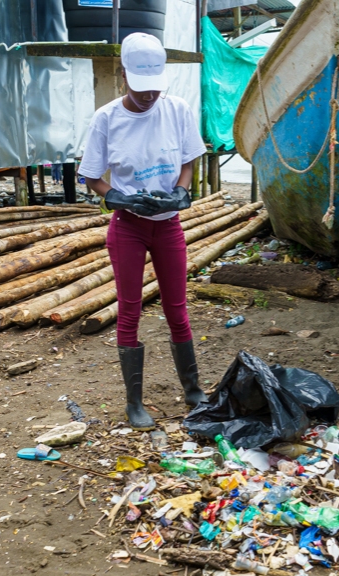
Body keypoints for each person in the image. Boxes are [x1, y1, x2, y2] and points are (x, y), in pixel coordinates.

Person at [78, 32, 208, 430]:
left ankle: (193, 391)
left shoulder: (177, 109)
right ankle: (134, 402)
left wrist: (181, 194)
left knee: (177, 309)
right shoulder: (107, 118)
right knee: (130, 310)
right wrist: (117, 197)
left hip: (167, 225)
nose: (149, 96)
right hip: (129, 229)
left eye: (154, 89)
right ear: (123, 76)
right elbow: (91, 177)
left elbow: (188, 160)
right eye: (140, 89)